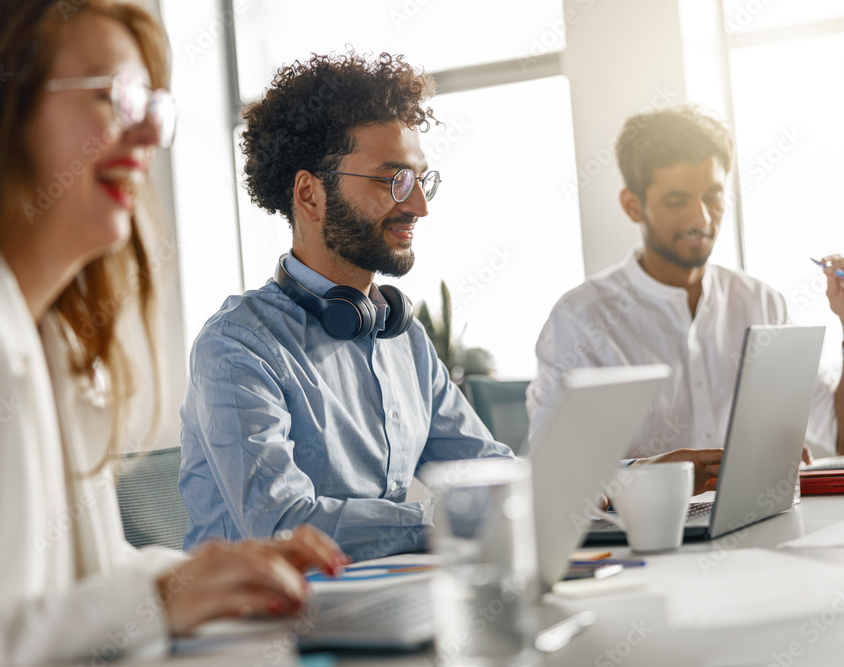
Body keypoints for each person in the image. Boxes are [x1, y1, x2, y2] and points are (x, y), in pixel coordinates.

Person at [0, 2, 346, 665]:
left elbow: (81, 586)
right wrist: (158, 600)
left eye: (152, 106)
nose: (146, 136)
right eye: (117, 96)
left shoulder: (51, 342)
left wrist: (216, 574)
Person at [179, 53, 720, 562]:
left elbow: (489, 473)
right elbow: (282, 526)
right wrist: (451, 521)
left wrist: (624, 478)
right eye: (394, 180)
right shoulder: (236, 348)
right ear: (309, 194)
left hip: (379, 606)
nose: (419, 205)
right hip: (265, 634)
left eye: (420, 179)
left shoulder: (401, 337)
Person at [526, 105, 843, 461]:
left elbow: (839, 437)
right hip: (638, 520)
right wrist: (651, 474)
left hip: (760, 517)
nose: (701, 218)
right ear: (633, 206)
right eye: (677, 201)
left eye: (713, 197)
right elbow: (551, 474)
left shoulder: (762, 303)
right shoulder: (580, 318)